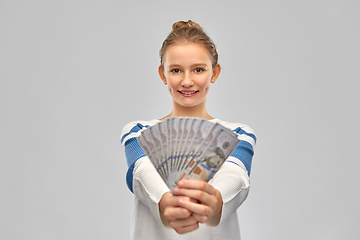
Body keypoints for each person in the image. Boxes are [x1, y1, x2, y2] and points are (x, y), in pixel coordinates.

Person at [120, 20, 256, 240]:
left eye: (198, 69)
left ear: (215, 72)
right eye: (175, 70)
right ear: (162, 74)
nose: (186, 81)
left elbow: (236, 175)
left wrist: (215, 201)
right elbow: (141, 172)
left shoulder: (238, 134)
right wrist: (166, 204)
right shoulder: (137, 132)